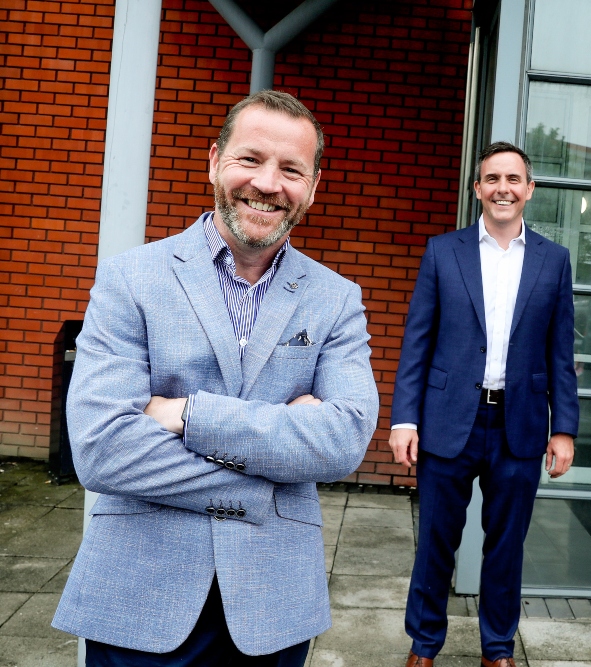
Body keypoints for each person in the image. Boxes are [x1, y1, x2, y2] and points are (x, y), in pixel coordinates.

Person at [52, 90, 379, 666]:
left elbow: (343, 440)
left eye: (291, 170)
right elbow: (102, 452)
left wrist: (186, 415)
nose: (269, 184)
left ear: (313, 185)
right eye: (250, 160)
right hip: (138, 596)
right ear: (213, 161)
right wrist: (275, 474)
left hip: (274, 604)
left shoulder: (336, 299)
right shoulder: (131, 278)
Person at [389, 141, 579, 667]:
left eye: (513, 179)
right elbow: (417, 342)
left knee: (505, 547)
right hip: (449, 421)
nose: (503, 188)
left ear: (529, 189)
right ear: (478, 189)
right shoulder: (441, 251)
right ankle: (424, 646)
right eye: (492, 179)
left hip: (518, 425)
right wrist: (404, 418)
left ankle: (497, 650)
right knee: (435, 541)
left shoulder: (554, 260)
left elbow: (560, 352)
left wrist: (563, 429)